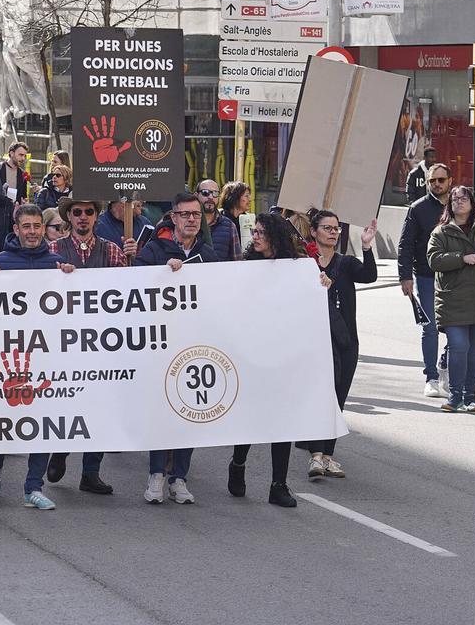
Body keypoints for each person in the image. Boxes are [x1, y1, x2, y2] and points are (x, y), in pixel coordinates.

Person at [0, 204, 76, 510]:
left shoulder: (56, 263)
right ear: (16, 229)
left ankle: (33, 487)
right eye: (26, 226)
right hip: (8, 356)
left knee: (44, 420)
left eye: (37, 226)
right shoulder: (1, 261)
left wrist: (70, 278)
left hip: (45, 355)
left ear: (43, 229)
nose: (32, 232)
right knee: (4, 418)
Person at [135, 191, 219, 504]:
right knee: (162, 413)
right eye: (185, 214)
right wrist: (161, 273)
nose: (191, 220)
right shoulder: (155, 249)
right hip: (160, 346)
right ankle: (156, 474)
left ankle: (179, 477)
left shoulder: (208, 255)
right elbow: (134, 286)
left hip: (194, 347)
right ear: (173, 217)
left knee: (189, 412)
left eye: (196, 214)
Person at [44, 197, 130, 496]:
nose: (83, 216)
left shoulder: (112, 250)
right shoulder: (53, 250)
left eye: (89, 212)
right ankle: (60, 451)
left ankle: (91, 472)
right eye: (77, 212)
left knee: (102, 405)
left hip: (102, 342)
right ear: (69, 216)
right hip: (63, 342)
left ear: (96, 216)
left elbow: (126, 292)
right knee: (66, 401)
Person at [228, 213, 311, 508]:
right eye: (255, 231)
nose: (256, 236)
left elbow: (306, 302)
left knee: (282, 421)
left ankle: (279, 484)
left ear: (275, 236)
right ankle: (238, 463)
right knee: (252, 417)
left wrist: (321, 282)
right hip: (252, 353)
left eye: (262, 232)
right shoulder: (246, 267)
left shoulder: (295, 269)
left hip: (283, 354)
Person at [303, 209, 377, 478]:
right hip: (315, 341)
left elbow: (369, 276)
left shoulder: (345, 263)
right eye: (327, 228)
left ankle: (328, 456)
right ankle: (315, 455)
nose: (333, 232)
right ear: (313, 231)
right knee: (319, 397)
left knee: (337, 398)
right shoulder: (304, 264)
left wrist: (366, 246)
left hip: (345, 340)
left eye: (336, 228)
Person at [427, 185, 475, 413]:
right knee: (459, 346)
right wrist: (462, 257)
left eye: (464, 198)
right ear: (449, 205)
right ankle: (455, 397)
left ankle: (471, 397)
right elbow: (434, 260)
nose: (459, 202)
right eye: (454, 199)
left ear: (472, 203)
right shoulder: (441, 232)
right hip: (452, 300)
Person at [399, 162, 451, 398]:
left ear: (450, 181)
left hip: (456, 278)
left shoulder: (459, 205)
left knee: (457, 328)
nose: (437, 184)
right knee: (430, 328)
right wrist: (405, 276)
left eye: (441, 180)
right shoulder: (417, 208)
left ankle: (445, 365)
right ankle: (431, 377)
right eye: (432, 181)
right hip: (425, 276)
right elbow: (406, 244)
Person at [197, 178, 240, 261]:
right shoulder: (189, 223)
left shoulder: (229, 226)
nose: (210, 197)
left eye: (215, 193)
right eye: (205, 193)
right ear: (196, 195)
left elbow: (237, 261)